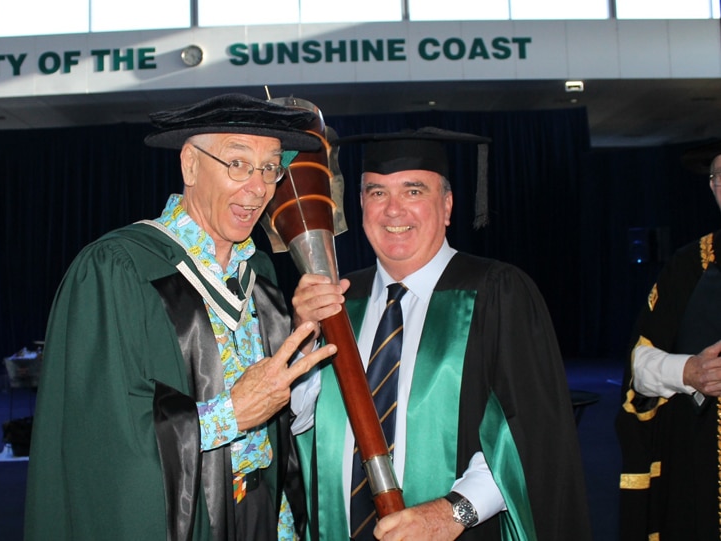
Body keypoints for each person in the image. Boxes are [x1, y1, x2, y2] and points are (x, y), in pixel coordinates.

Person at [23, 93, 338, 541]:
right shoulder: (118, 269)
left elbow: (280, 418)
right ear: (190, 165)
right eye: (238, 163)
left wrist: (302, 333)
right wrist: (230, 414)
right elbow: (102, 440)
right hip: (182, 520)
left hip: (263, 511)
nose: (259, 187)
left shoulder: (260, 274)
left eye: (270, 168)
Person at [290, 128, 592, 540]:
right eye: (377, 193)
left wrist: (454, 512)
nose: (393, 210)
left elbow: (532, 431)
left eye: (413, 191)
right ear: (359, 203)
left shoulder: (495, 292)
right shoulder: (337, 300)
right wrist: (303, 338)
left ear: (447, 205)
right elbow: (298, 424)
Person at [615, 152, 721, 540]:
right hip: (700, 466)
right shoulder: (689, 265)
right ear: (713, 187)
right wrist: (689, 371)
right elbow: (640, 363)